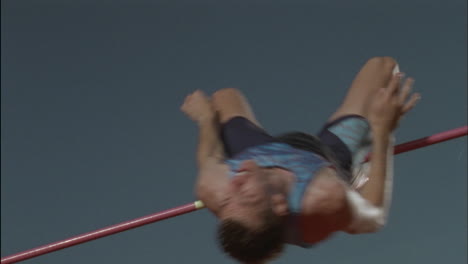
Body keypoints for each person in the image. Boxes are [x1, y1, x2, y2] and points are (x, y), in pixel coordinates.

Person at [181, 57, 420, 263]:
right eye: (246, 195)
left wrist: (204, 119)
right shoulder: (324, 199)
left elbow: (210, 155)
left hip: (258, 151)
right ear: (279, 204)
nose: (234, 185)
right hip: (324, 157)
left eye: (227, 202)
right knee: (384, 68)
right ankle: (356, 177)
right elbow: (374, 217)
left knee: (224, 97)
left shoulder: (216, 189)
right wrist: (384, 131)